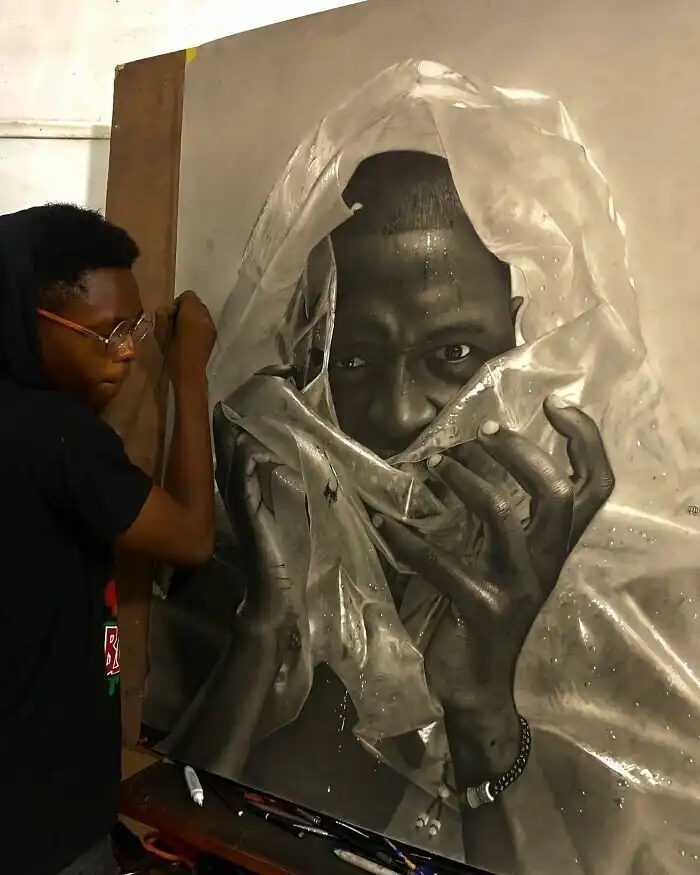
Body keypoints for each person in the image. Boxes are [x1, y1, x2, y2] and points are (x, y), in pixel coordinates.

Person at [154, 151, 614, 871]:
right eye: (353, 360)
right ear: (304, 364)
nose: (400, 414)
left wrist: (483, 713)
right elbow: (160, 840)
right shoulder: (238, 562)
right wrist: (265, 634)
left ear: (524, 347)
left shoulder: (606, 612)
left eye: (454, 351)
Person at [0, 203, 216, 875]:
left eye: (135, 327)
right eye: (104, 333)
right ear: (25, 319)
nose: (126, 351)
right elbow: (190, 537)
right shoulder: (57, 436)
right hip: (44, 826)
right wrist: (189, 372)